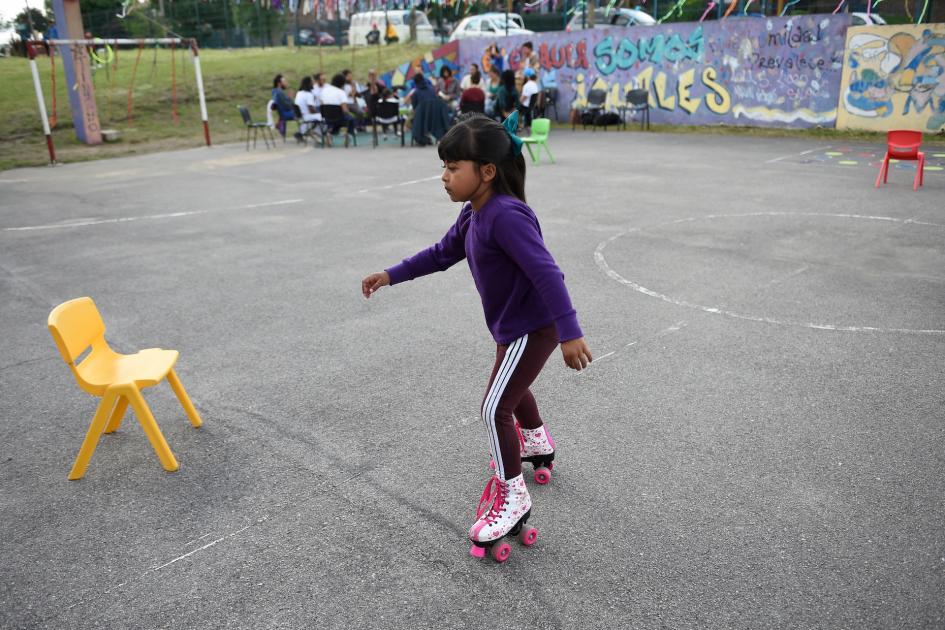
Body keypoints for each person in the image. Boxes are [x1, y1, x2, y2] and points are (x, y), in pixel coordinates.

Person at [360, 112, 592, 559]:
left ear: (486, 171)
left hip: (533, 326)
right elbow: (441, 254)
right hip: (511, 325)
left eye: (452, 168)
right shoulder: (475, 213)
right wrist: (390, 274)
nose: (444, 177)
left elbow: (547, 272)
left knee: (493, 408)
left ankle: (512, 496)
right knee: (511, 388)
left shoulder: (505, 216)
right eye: (443, 167)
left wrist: (570, 332)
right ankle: (537, 441)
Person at [320, 73, 356, 147]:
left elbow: (322, 104)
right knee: (350, 119)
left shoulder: (324, 90)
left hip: (327, 118)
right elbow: (345, 110)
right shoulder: (341, 92)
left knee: (335, 123)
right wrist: (349, 114)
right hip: (339, 117)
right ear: (342, 84)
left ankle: (329, 134)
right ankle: (348, 135)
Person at [271, 74, 296, 138]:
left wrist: (288, 98)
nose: (286, 83)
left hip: (282, 114)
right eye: (284, 82)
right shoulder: (279, 93)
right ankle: (301, 133)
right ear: (279, 83)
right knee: (302, 113)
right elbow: (287, 106)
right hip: (286, 114)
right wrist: (290, 98)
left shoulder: (275, 91)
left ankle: (280, 123)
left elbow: (282, 103)